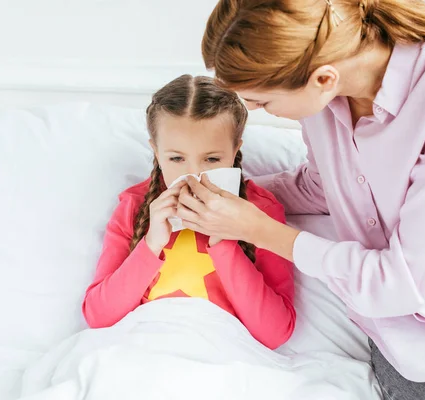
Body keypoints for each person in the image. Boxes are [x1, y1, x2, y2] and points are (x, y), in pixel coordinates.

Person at [175, 0, 425, 397]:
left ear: (323, 79)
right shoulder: (322, 91)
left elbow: (400, 282)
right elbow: (324, 187)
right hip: (414, 335)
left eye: (262, 102)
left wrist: (256, 229)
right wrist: (229, 189)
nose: (255, 111)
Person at [82, 74, 296, 350]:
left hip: (224, 353)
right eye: (176, 158)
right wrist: (151, 244)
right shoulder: (134, 206)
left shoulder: (261, 210)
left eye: (212, 159)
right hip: (143, 349)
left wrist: (225, 238)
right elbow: (99, 317)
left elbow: (275, 334)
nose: (193, 174)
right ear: (156, 152)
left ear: (235, 150)